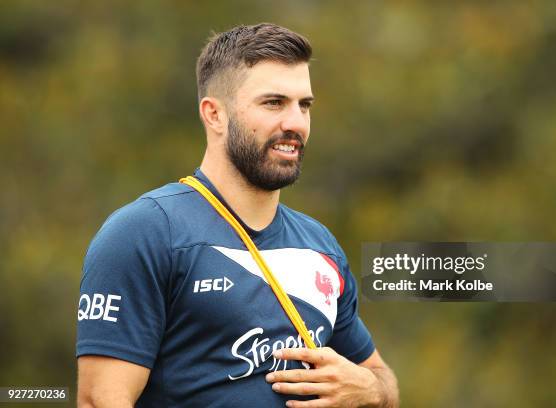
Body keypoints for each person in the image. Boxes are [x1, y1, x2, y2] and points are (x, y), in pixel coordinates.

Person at [76, 23, 399, 407]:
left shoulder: (320, 245)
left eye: (304, 105)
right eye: (273, 103)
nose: (295, 123)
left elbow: (380, 377)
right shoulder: (145, 232)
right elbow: (99, 400)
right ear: (214, 115)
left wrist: (371, 389)